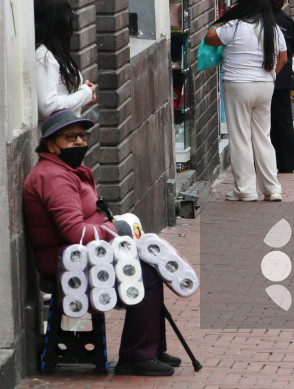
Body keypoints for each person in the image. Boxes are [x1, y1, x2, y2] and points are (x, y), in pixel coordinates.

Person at [23, 110, 178, 376]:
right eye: (70, 137)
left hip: (85, 255)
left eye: (82, 136)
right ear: (51, 144)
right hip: (68, 265)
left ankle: (152, 349)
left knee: (152, 261)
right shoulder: (54, 177)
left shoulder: (65, 170)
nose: (79, 142)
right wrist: (116, 230)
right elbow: (75, 233)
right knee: (147, 274)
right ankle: (137, 355)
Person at [204, 0, 287, 202]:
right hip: (265, 86)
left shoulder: (235, 26)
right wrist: (269, 76)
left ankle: (245, 189)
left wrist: (229, 13)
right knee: (263, 137)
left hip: (238, 85)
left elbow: (210, 37)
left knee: (240, 137)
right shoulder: (273, 29)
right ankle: (272, 189)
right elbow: (284, 58)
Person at [33, 0, 97, 121]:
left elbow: (61, 95)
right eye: (67, 18)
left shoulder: (54, 54)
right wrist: (85, 93)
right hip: (57, 137)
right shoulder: (43, 56)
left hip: (68, 132)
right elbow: (47, 106)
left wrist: (81, 92)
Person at [261, 0, 294, 174]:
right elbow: (293, 47)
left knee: (265, 121)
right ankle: (286, 161)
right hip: (282, 77)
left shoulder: (262, 21)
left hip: (268, 75)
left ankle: (270, 162)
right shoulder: (286, 20)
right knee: (283, 120)